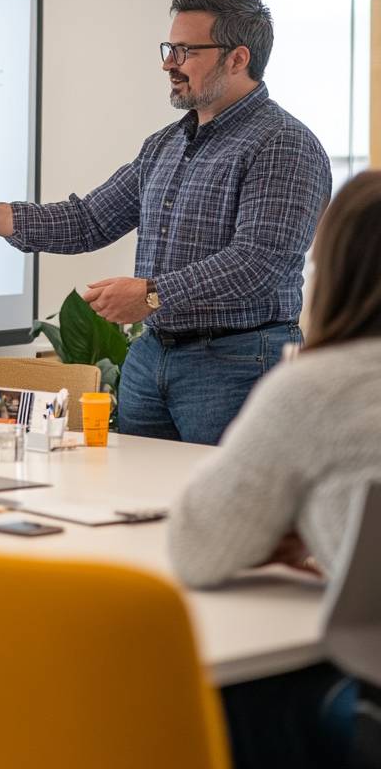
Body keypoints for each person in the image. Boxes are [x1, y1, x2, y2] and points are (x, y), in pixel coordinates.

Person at [0, 0, 332, 445]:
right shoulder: (166, 144)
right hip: (153, 359)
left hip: (237, 361)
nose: (169, 63)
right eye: (169, 49)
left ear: (237, 58)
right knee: (135, 498)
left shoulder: (284, 145)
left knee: (230, 510)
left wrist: (150, 296)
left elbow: (258, 262)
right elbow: (88, 221)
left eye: (185, 51)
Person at [167, 169, 381, 769]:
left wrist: (295, 532)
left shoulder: (317, 390)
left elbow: (196, 549)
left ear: (337, 274)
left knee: (243, 694)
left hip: (370, 702)